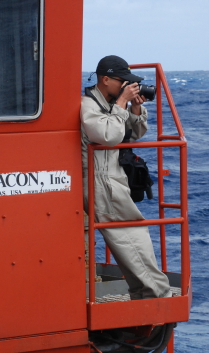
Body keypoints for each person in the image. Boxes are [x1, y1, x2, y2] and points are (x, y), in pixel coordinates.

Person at [81, 55, 171, 300]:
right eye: (123, 82)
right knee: (131, 235)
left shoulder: (110, 103)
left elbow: (133, 134)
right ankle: (156, 293)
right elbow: (108, 135)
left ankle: (144, 291)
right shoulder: (88, 105)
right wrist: (122, 102)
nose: (127, 87)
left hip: (113, 178)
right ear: (105, 79)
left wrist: (135, 108)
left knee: (131, 235)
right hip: (101, 181)